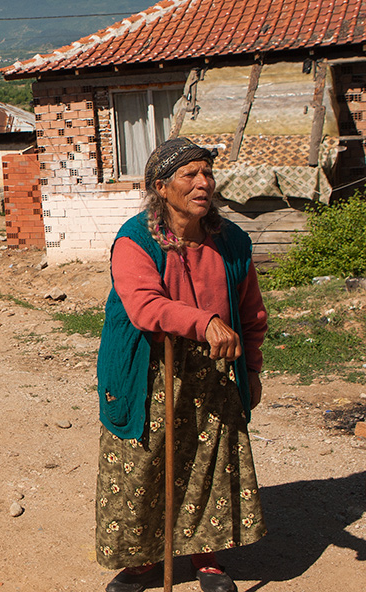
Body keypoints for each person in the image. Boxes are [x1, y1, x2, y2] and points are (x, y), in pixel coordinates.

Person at [95, 138, 267, 592]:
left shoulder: (231, 241)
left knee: (208, 462)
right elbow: (144, 304)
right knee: (143, 464)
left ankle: (206, 557)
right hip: (150, 368)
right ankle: (140, 562)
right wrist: (203, 321)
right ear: (161, 187)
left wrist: (251, 368)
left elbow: (250, 313)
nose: (203, 183)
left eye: (207, 173)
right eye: (190, 175)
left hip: (214, 367)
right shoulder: (135, 240)